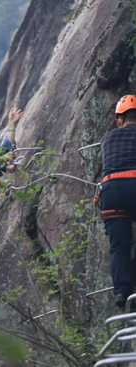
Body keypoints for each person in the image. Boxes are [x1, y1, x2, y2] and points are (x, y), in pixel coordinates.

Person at [99, 94, 136, 309]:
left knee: (119, 246)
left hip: (111, 190)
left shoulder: (106, 138)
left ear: (119, 119)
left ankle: (122, 292)